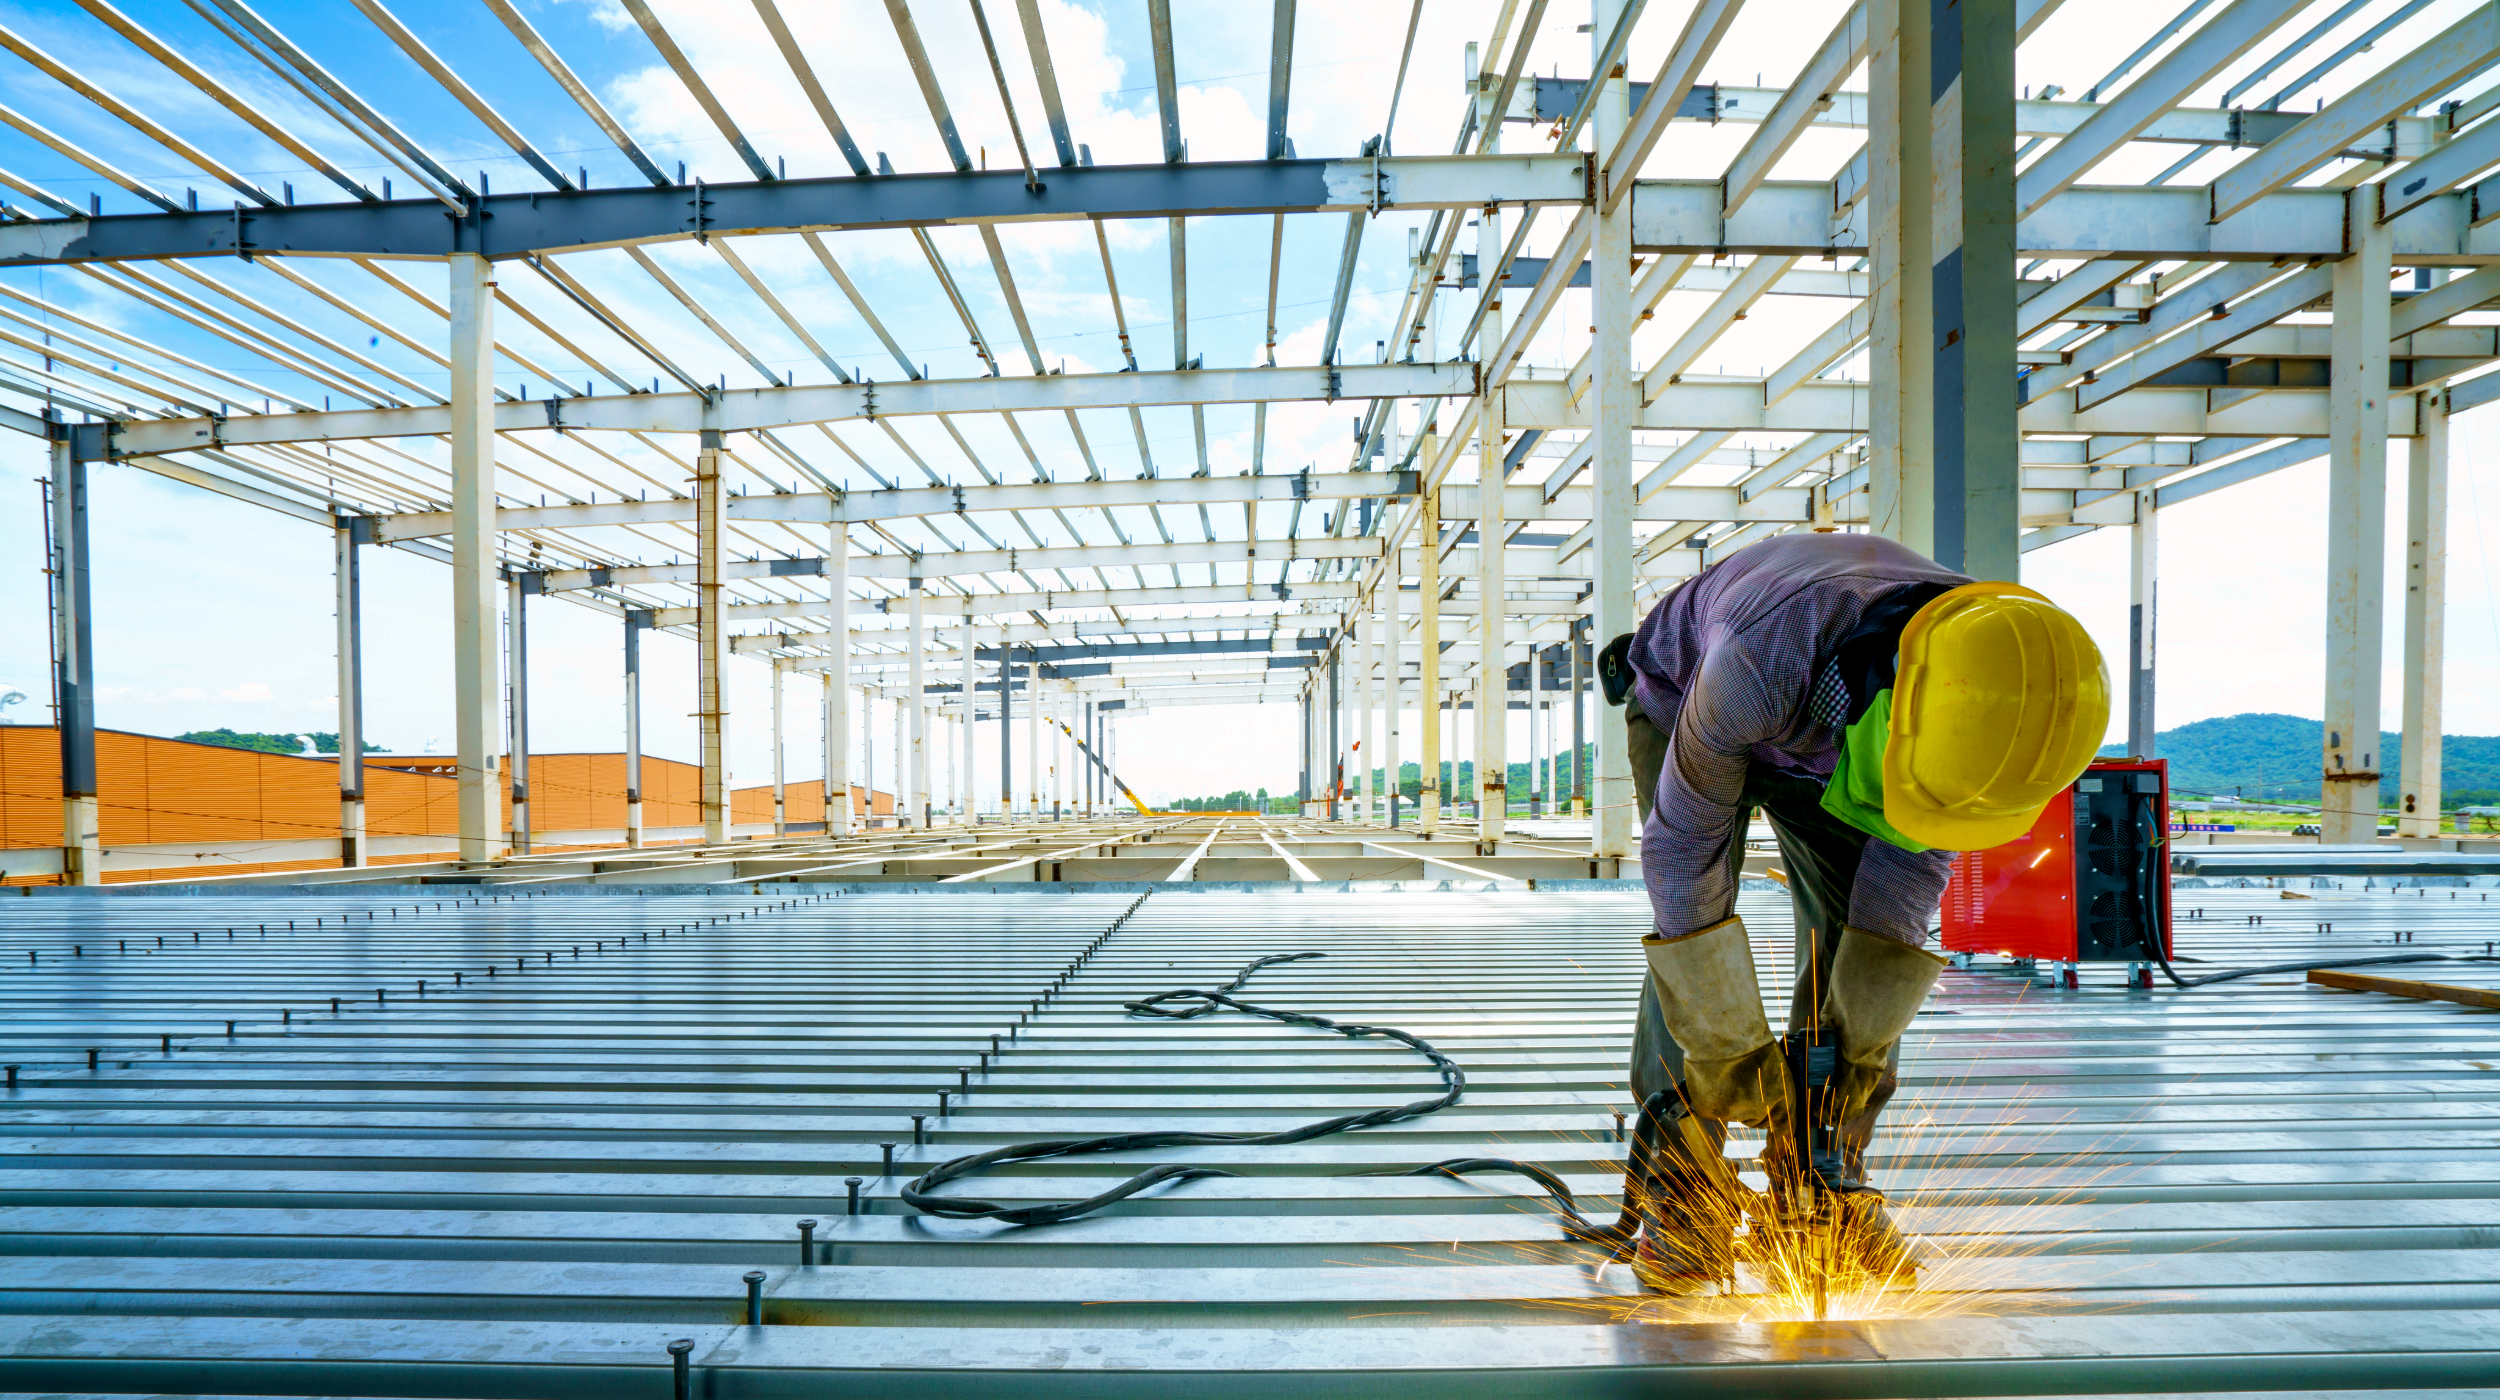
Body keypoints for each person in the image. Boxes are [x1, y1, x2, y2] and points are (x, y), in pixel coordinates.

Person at [1595, 531, 2108, 1291]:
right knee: (1693, 950)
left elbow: (1893, 903)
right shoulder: (1760, 659)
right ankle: (1686, 1186)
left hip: (1852, 737)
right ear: (1890, 714)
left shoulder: (1989, 713)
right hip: (1688, 707)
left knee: (1854, 958)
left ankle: (1822, 1177)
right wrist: (1729, 1048)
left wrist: (1855, 1058)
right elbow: (1684, 861)